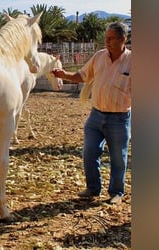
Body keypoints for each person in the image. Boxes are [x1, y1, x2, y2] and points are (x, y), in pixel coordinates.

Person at [52, 22, 131, 204]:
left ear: (123, 39)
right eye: (106, 38)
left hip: (119, 118)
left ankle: (116, 192)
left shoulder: (133, 61)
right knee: (89, 152)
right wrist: (64, 75)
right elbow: (82, 75)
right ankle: (93, 188)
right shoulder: (99, 56)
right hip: (96, 115)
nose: (107, 42)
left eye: (111, 38)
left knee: (118, 157)